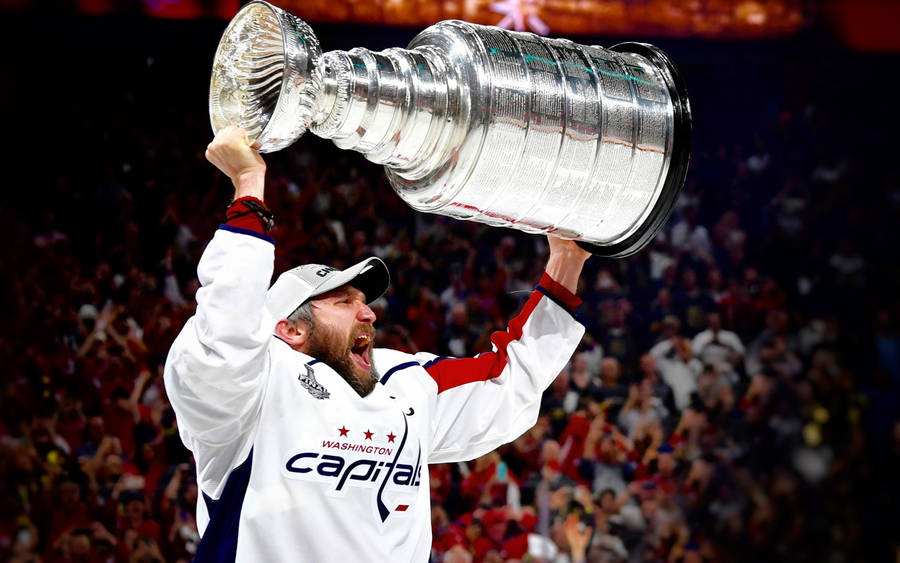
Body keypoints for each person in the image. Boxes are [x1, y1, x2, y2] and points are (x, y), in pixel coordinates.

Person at [163, 127, 591, 561]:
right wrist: (249, 186)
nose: (368, 313)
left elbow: (509, 381)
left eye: (364, 302)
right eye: (344, 301)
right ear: (291, 330)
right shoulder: (252, 390)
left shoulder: (406, 382)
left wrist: (566, 261)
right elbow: (225, 332)